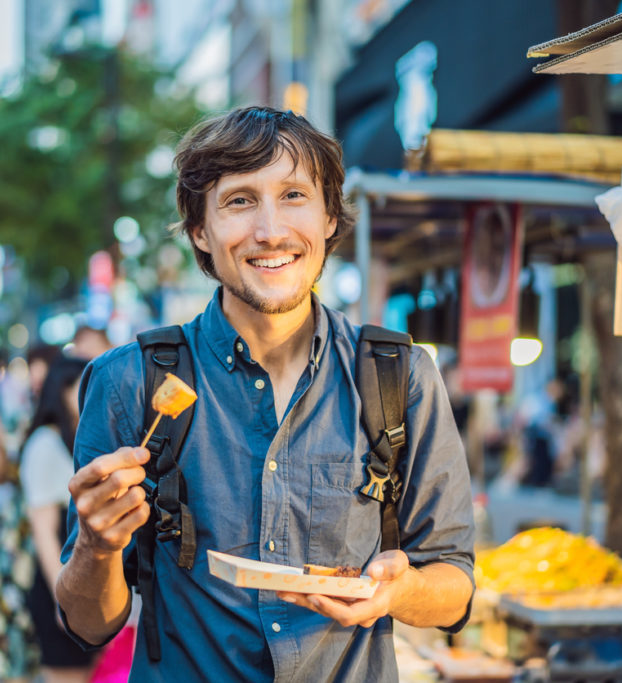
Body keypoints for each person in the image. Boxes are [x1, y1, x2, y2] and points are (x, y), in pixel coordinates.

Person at [56, 106, 475, 681]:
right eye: (240, 201)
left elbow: (453, 586)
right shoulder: (128, 381)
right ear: (200, 229)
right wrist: (97, 549)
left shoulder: (399, 377)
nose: (272, 231)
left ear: (330, 216)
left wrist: (399, 592)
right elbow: (87, 623)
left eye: (295, 196)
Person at [19, 356, 94, 681]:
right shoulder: (45, 444)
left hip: (87, 583)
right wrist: (63, 597)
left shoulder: (83, 440)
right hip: (59, 580)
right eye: (85, 386)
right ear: (62, 391)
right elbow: (44, 531)